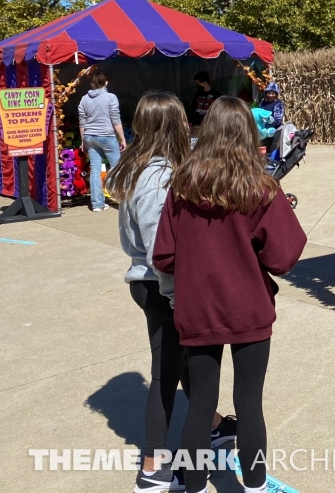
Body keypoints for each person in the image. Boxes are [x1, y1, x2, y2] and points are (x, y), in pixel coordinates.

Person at [153, 97, 307, 493]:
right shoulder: (261, 189)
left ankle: (195, 486)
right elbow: (283, 257)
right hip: (248, 307)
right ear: (248, 136)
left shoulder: (181, 187)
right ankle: (254, 486)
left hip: (197, 307)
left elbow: (164, 256)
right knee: (249, 402)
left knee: (201, 402)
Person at [106, 92, 233, 492]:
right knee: (164, 375)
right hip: (161, 286)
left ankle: (211, 425)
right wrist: (180, 298)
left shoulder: (135, 165)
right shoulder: (157, 177)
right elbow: (160, 248)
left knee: (183, 364)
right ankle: (154, 468)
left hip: (151, 284)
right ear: (176, 124)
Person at [78, 71, 127, 212]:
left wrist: (83, 141)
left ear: (92, 84)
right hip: (107, 135)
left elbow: (82, 122)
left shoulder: (84, 99)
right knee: (117, 168)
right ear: (106, 83)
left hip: (90, 136)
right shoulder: (111, 97)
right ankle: (122, 200)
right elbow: (115, 119)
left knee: (95, 171)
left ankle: (97, 204)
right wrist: (122, 138)